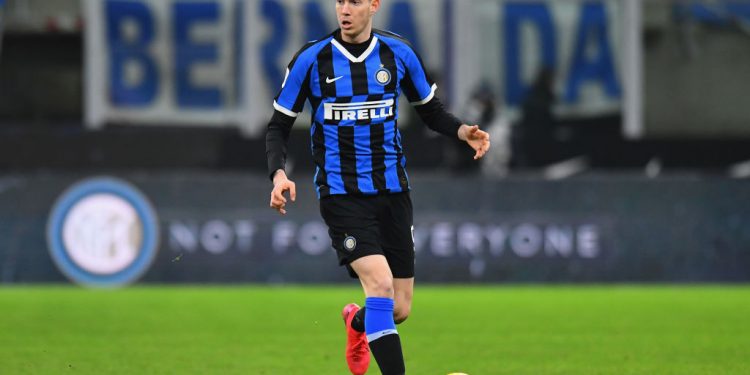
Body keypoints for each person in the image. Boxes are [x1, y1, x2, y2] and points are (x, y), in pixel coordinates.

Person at [265, 0, 490, 374]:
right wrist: (278, 173)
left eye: (354, 1)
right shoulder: (311, 59)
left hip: (393, 193)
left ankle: (357, 322)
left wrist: (463, 131)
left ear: (373, 5)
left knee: (398, 308)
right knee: (381, 284)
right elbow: (278, 126)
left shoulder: (397, 52)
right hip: (342, 196)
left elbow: (430, 111)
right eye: (339, 1)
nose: (344, 9)